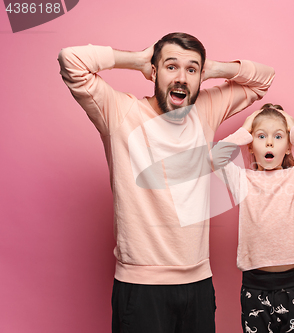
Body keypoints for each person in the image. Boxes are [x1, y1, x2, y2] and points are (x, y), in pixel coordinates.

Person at [58, 32, 275, 333]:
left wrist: (215, 68)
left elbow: (264, 78)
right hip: (141, 288)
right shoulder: (120, 113)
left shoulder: (205, 111)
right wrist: (136, 60)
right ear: (155, 72)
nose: (182, 78)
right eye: (171, 66)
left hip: (198, 285)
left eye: (191, 70)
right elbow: (70, 60)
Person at [210, 104, 294, 333]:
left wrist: (292, 127)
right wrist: (246, 127)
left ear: (288, 147)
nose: (269, 143)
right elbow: (214, 157)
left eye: (278, 136)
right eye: (261, 136)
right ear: (251, 146)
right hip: (255, 287)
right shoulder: (242, 180)